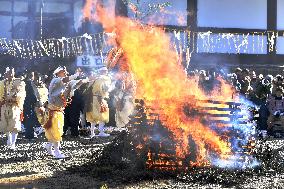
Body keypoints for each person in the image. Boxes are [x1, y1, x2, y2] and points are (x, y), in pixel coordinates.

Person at [44, 66, 85, 158]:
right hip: (53, 111)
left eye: (66, 71)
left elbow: (75, 83)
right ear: (58, 73)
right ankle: (57, 152)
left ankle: (49, 146)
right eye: (63, 71)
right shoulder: (56, 80)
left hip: (58, 110)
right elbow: (66, 80)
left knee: (55, 130)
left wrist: (86, 79)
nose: (66, 72)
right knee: (56, 130)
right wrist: (76, 75)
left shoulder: (64, 82)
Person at [0, 67, 26, 150]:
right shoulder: (1, 83)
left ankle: (13, 143)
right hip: (4, 106)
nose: (10, 74)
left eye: (12, 72)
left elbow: (22, 93)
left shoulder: (19, 82)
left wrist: (16, 96)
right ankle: (9, 138)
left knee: (15, 125)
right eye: (8, 73)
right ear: (5, 73)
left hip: (15, 106)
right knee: (6, 124)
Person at [86, 67, 112, 138]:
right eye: (106, 71)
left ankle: (92, 132)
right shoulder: (105, 79)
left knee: (93, 116)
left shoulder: (94, 78)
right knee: (103, 115)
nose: (106, 72)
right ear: (104, 71)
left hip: (92, 99)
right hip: (99, 99)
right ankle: (101, 132)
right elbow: (106, 89)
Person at [23, 72, 40, 139]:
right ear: (31, 76)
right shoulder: (30, 83)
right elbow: (33, 94)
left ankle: (28, 134)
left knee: (27, 119)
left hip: (24, 103)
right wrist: (36, 102)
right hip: (29, 104)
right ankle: (30, 135)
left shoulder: (23, 82)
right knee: (30, 119)